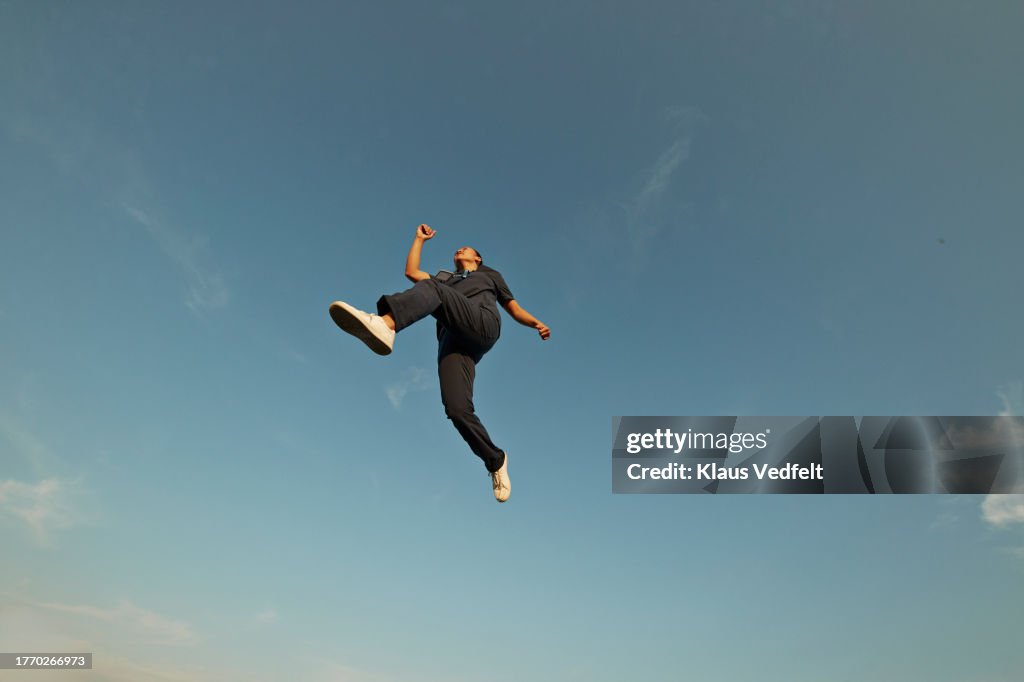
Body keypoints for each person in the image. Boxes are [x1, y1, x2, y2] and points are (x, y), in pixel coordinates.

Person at [329, 224, 551, 503]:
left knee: (433, 286)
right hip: (452, 341)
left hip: (482, 324)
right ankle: (495, 460)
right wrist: (418, 240)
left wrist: (535, 323)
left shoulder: (490, 274)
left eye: (466, 248)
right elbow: (411, 273)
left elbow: (514, 308)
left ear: (478, 258)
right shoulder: (447, 279)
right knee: (457, 409)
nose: (459, 249)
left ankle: (385, 324)